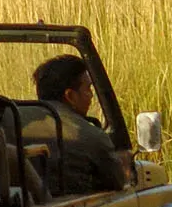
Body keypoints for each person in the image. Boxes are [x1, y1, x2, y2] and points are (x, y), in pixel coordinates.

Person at [23, 55, 128, 196]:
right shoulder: (92, 136)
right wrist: (125, 165)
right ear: (70, 96)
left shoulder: (1, 118)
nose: (91, 95)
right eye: (88, 89)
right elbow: (119, 182)